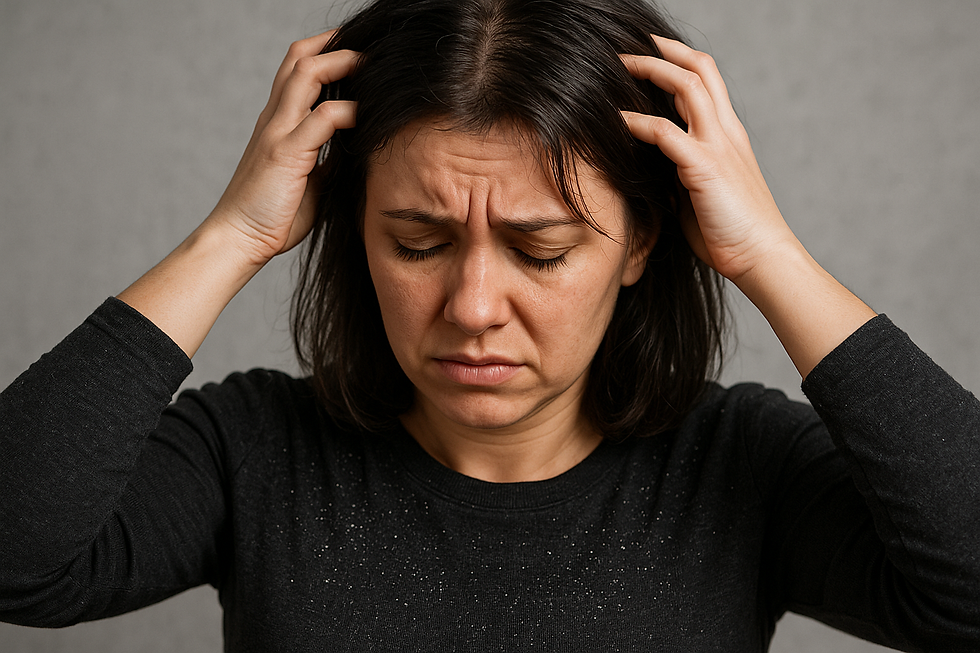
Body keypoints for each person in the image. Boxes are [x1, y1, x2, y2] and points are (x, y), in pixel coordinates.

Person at [0, 0, 977, 650]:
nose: (472, 307)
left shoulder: (735, 466)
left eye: (540, 251)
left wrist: (768, 253)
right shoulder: (251, 450)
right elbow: (17, 557)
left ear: (641, 244)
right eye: (417, 243)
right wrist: (236, 232)